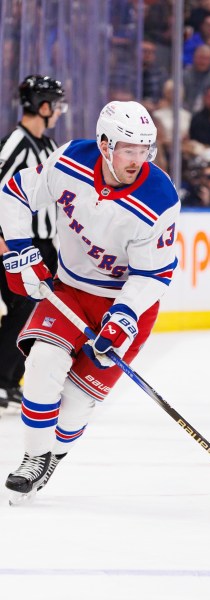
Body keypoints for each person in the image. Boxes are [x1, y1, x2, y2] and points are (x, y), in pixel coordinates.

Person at [0, 101, 180, 502]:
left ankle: (52, 457)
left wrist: (123, 317)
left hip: (126, 304)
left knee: (76, 406)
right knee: (43, 362)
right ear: (103, 144)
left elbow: (154, 275)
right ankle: (33, 457)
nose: (138, 160)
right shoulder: (69, 161)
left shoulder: (159, 198)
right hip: (70, 291)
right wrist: (19, 250)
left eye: (144, 149)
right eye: (128, 149)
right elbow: (14, 191)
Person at [0, 75, 67, 414]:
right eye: (55, 105)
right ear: (43, 106)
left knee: (42, 311)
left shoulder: (49, 147)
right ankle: (2, 377)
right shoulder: (15, 144)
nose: (58, 112)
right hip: (16, 243)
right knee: (25, 308)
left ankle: (11, 379)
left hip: (45, 244)